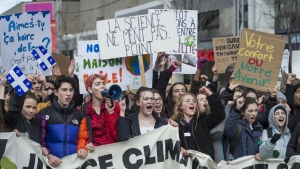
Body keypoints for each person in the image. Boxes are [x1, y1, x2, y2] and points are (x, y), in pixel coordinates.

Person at [38, 75, 83, 168]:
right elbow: (38, 142)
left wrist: (84, 149)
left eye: (71, 90)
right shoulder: (44, 113)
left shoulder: (79, 115)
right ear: (56, 92)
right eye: (64, 90)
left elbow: (83, 140)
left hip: (74, 166)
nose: (68, 94)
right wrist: (49, 156)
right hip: (50, 165)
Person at [171, 86, 225, 160]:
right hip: (184, 164)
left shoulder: (203, 120)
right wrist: (178, 148)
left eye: (194, 101)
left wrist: (209, 94)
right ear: (180, 106)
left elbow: (219, 114)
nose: (192, 103)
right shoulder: (174, 124)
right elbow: (167, 143)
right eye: (187, 101)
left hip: (204, 165)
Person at [76, 74, 121, 158]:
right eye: (98, 84)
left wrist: (111, 112)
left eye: (104, 83)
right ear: (90, 89)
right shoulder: (83, 109)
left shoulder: (114, 106)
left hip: (113, 153)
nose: (102, 86)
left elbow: (116, 134)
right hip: (94, 156)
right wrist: (86, 146)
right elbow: (82, 136)